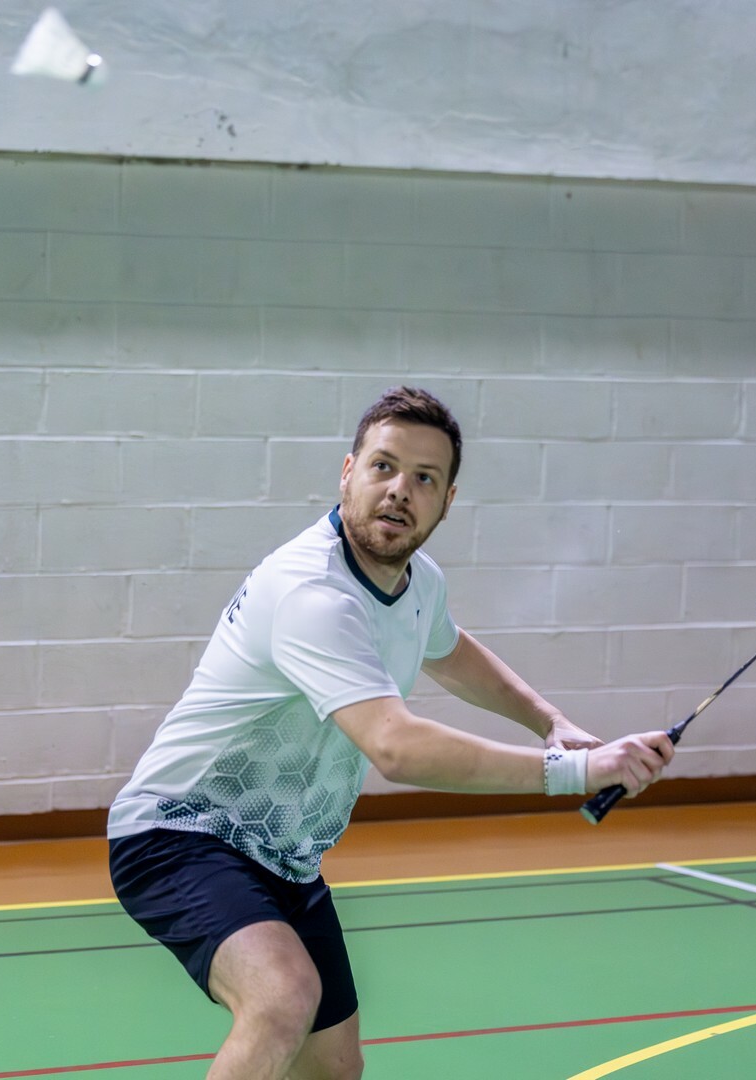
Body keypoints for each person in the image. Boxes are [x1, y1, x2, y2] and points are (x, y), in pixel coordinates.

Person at [106, 386, 673, 1079]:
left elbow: (451, 651)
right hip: (179, 831)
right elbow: (396, 747)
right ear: (348, 472)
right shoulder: (311, 592)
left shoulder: (418, 582)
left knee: (334, 1069)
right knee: (282, 997)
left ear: (447, 501)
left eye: (424, 478)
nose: (400, 490)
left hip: (286, 856)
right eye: (384, 467)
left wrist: (550, 722)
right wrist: (576, 772)